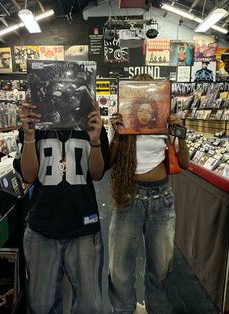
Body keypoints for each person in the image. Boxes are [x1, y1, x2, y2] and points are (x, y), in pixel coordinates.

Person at [13, 97, 110, 313]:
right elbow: (28, 176)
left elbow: (97, 173)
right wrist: (29, 136)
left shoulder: (90, 123)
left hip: (83, 225)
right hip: (42, 226)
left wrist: (94, 140)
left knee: (90, 305)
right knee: (41, 305)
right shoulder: (37, 124)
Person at [108, 73, 189, 314]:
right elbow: (110, 162)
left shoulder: (165, 123)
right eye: (139, 109)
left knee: (161, 267)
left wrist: (180, 134)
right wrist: (116, 134)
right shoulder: (124, 123)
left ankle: (158, 309)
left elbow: (183, 163)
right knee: (119, 268)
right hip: (128, 197)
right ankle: (123, 309)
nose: (143, 113)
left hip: (161, 199)